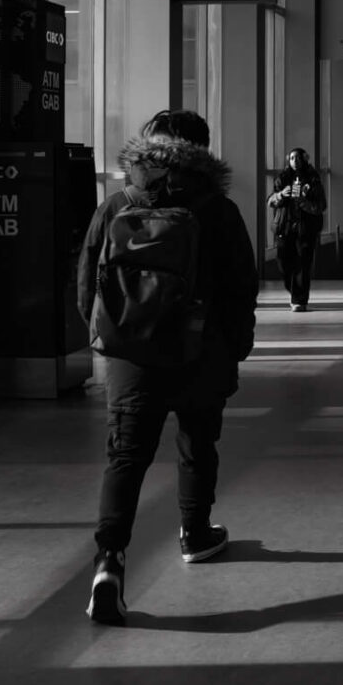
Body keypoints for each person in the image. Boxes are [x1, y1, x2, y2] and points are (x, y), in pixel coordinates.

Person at [77, 109, 259, 625]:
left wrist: (112, 340)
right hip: (201, 350)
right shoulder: (218, 210)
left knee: (126, 456)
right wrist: (235, 346)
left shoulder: (118, 203)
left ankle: (108, 562)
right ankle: (196, 535)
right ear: (203, 151)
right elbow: (240, 286)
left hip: (132, 354)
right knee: (198, 442)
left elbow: (88, 281)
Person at [268, 147, 326, 312]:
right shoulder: (283, 178)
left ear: (305, 159)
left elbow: (321, 205)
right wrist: (281, 195)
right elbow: (270, 200)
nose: (295, 161)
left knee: (303, 264)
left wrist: (303, 202)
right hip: (285, 228)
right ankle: (293, 288)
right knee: (283, 263)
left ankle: (299, 300)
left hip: (305, 229)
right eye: (292, 158)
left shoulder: (313, 180)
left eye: (298, 158)